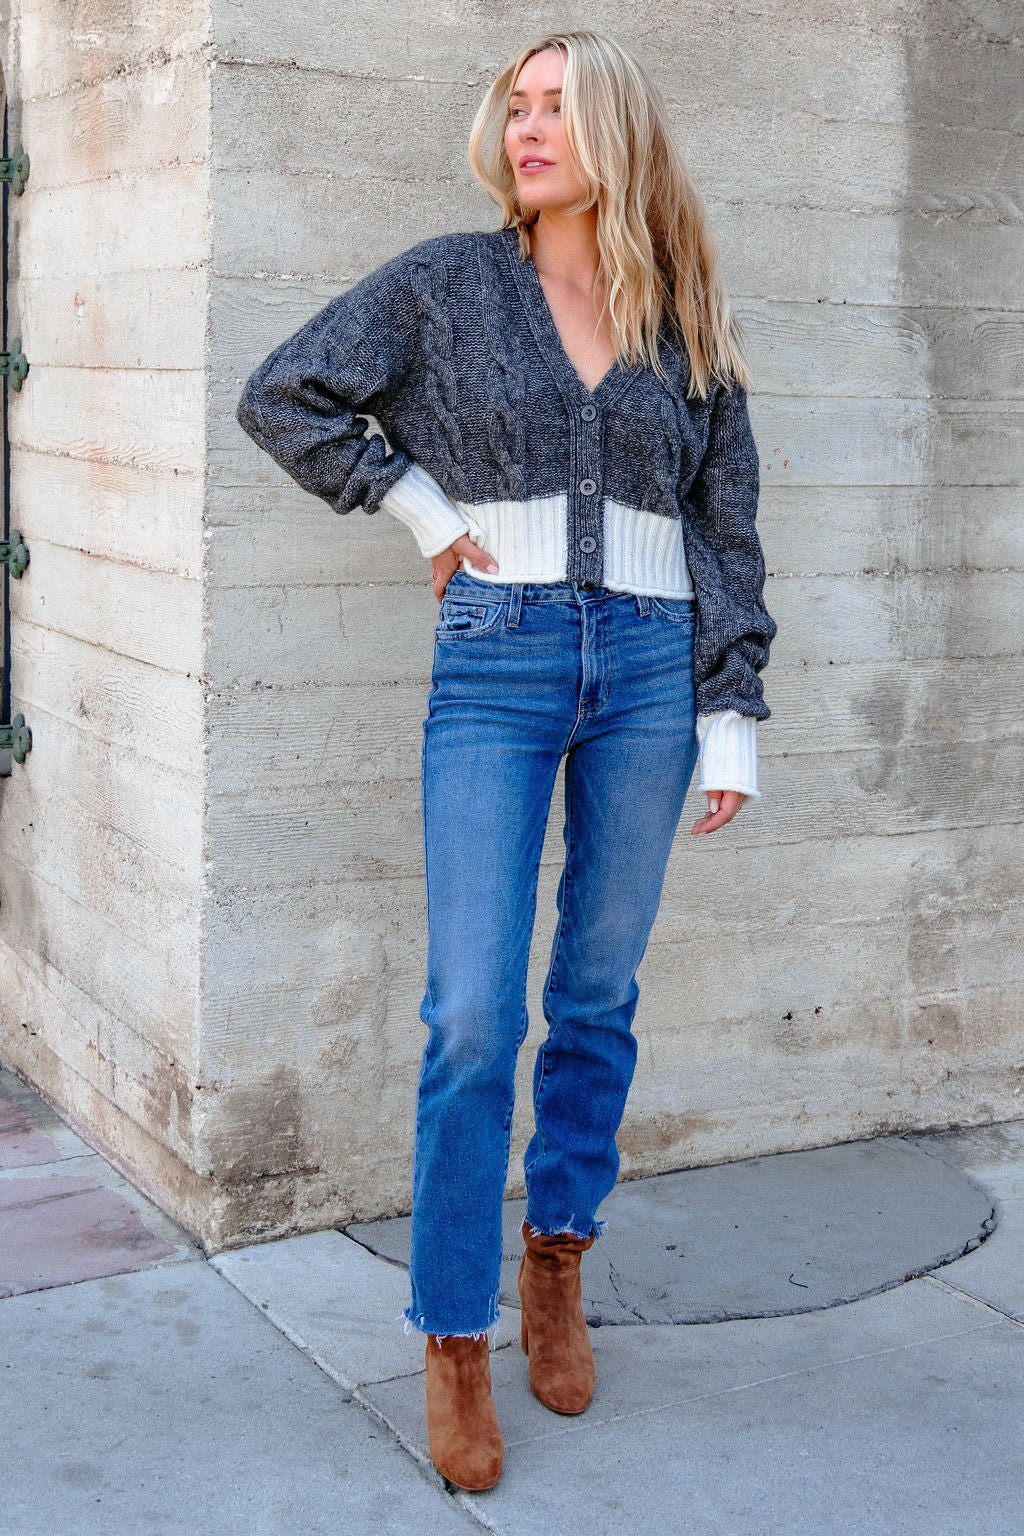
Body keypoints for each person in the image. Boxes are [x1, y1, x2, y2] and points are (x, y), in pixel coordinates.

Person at [236, 28, 777, 1494]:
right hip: (500, 652)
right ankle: (454, 1331)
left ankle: (557, 1263)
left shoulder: (683, 319)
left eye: (558, 108)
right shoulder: (449, 282)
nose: (528, 130)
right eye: (517, 108)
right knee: (474, 1013)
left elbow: (726, 521)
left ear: (615, 132)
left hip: (656, 671)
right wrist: (419, 508)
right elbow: (284, 396)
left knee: (594, 992)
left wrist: (732, 707)